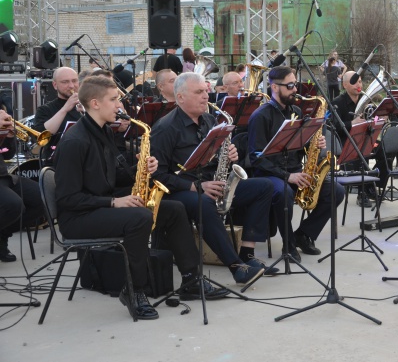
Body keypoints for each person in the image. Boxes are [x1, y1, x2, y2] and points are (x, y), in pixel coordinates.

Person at [54, 76, 230, 320]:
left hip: (98, 206)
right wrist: (114, 202)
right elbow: (67, 199)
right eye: (114, 100)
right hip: (78, 217)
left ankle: (191, 279)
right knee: (139, 218)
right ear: (95, 103)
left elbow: (111, 179)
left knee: (174, 209)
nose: (120, 106)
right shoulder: (75, 142)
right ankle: (134, 290)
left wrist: (141, 169)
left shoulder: (104, 132)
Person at [150, 72, 275, 283]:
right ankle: (236, 267)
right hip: (180, 191)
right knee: (204, 202)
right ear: (180, 97)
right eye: (199, 92)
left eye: (206, 91)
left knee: (264, 186)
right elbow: (157, 176)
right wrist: (196, 186)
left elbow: (216, 159)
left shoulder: (209, 120)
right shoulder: (164, 128)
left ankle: (247, 253)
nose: (206, 96)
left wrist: (229, 156)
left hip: (210, 183)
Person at [245, 66, 345, 261]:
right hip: (269, 175)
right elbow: (256, 158)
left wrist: (312, 144)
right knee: (285, 194)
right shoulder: (260, 116)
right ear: (275, 87)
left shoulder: (296, 111)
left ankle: (304, 234)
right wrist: (288, 176)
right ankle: (288, 244)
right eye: (290, 86)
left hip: (295, 171)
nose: (295, 89)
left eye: (295, 84)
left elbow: (299, 146)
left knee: (336, 190)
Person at [0, 111, 45, 263]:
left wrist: (9, 137)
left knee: (42, 198)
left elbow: (7, 154)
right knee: (13, 204)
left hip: (4, 176)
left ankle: (3, 234)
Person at [331, 71, 377, 207]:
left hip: (365, 138)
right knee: (360, 152)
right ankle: (362, 192)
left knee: (385, 151)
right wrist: (352, 123)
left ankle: (372, 185)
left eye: (360, 81)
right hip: (345, 141)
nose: (358, 85)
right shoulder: (337, 102)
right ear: (345, 85)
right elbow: (333, 126)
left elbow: (374, 118)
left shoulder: (366, 99)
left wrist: (378, 119)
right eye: (354, 82)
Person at [33, 67, 84, 165]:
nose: (71, 86)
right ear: (55, 85)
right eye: (65, 82)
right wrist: (65, 108)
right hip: (57, 162)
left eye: (74, 81)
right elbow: (42, 134)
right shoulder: (45, 109)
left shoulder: (88, 106)